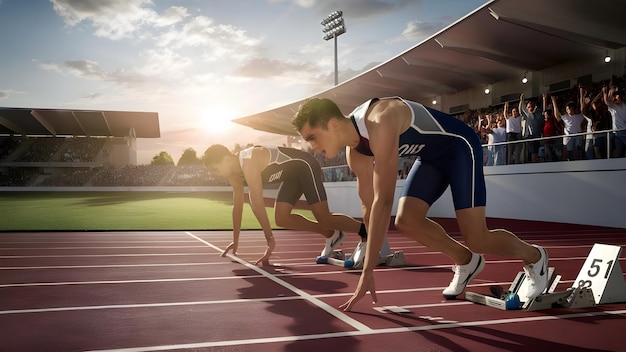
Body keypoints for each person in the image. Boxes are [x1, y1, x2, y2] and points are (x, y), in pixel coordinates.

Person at [292, 97, 549, 311]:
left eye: (313, 137)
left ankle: (535, 257)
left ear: (333, 124)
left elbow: (384, 201)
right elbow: (368, 208)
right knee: (407, 221)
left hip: (459, 147)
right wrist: (369, 255)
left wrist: (368, 270)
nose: (313, 147)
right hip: (430, 158)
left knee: (477, 238)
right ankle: (467, 261)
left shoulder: (380, 120)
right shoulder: (355, 152)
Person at [203, 144, 367, 266]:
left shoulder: (248, 160)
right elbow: (237, 206)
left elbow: (256, 202)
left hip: (304, 166)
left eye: (215, 170)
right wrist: (235, 241)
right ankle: (331, 234)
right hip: (291, 177)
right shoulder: (234, 176)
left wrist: (270, 239)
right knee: (281, 218)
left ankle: (365, 232)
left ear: (226, 160)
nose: (215, 175)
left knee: (323, 216)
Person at [551, 95, 584, 161]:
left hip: (578, 136)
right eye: (566, 108)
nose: (567, 110)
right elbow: (557, 115)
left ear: (572, 108)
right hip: (568, 137)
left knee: (577, 152)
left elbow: (583, 110)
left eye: (568, 108)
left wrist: (582, 95)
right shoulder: (565, 117)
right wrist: (554, 102)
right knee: (568, 153)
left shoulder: (579, 116)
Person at [519, 94, 546, 163]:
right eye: (528, 107)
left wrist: (544, 99)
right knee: (528, 153)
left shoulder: (538, 114)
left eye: (531, 107)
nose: (529, 108)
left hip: (536, 136)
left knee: (534, 152)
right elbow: (521, 109)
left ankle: (534, 164)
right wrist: (521, 100)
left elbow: (544, 110)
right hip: (528, 137)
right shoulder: (528, 115)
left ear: (535, 107)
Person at [603, 83, 626, 158]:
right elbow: (606, 101)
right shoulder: (613, 107)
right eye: (615, 96)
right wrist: (605, 92)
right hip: (617, 133)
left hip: (625, 131)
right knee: (618, 152)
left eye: (618, 96)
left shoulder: (625, 106)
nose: (617, 97)